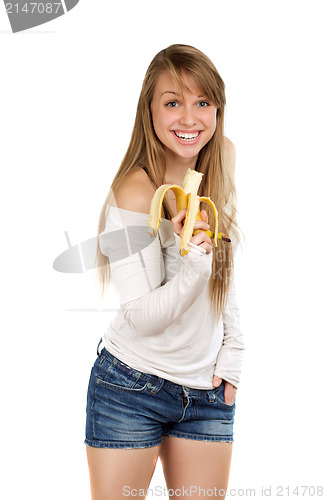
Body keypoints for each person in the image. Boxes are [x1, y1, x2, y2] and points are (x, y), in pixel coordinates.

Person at [84, 43, 245, 499]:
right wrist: (194, 264)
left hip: (206, 392)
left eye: (203, 102)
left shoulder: (221, 156)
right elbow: (141, 316)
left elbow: (225, 265)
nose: (190, 119)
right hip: (130, 387)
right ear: (149, 111)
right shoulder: (131, 194)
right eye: (172, 102)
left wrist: (234, 353)